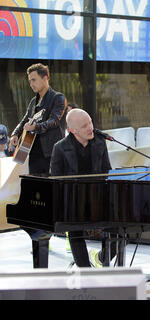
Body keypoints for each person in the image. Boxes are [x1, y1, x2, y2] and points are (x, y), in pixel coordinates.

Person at [50, 108, 115, 267]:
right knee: (74, 228)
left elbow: (107, 171)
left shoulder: (100, 142)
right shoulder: (60, 148)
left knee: (126, 227)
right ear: (73, 130)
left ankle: (101, 257)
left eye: (91, 122)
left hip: (98, 198)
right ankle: (85, 270)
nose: (90, 127)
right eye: (85, 125)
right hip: (73, 203)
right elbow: (55, 182)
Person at [9, 63, 66, 175]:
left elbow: (54, 120)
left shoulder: (58, 97)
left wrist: (36, 126)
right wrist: (15, 134)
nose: (31, 84)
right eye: (30, 81)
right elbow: (24, 120)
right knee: (32, 186)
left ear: (45, 78)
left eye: (34, 80)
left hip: (50, 153)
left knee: (50, 188)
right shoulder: (32, 101)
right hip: (32, 150)